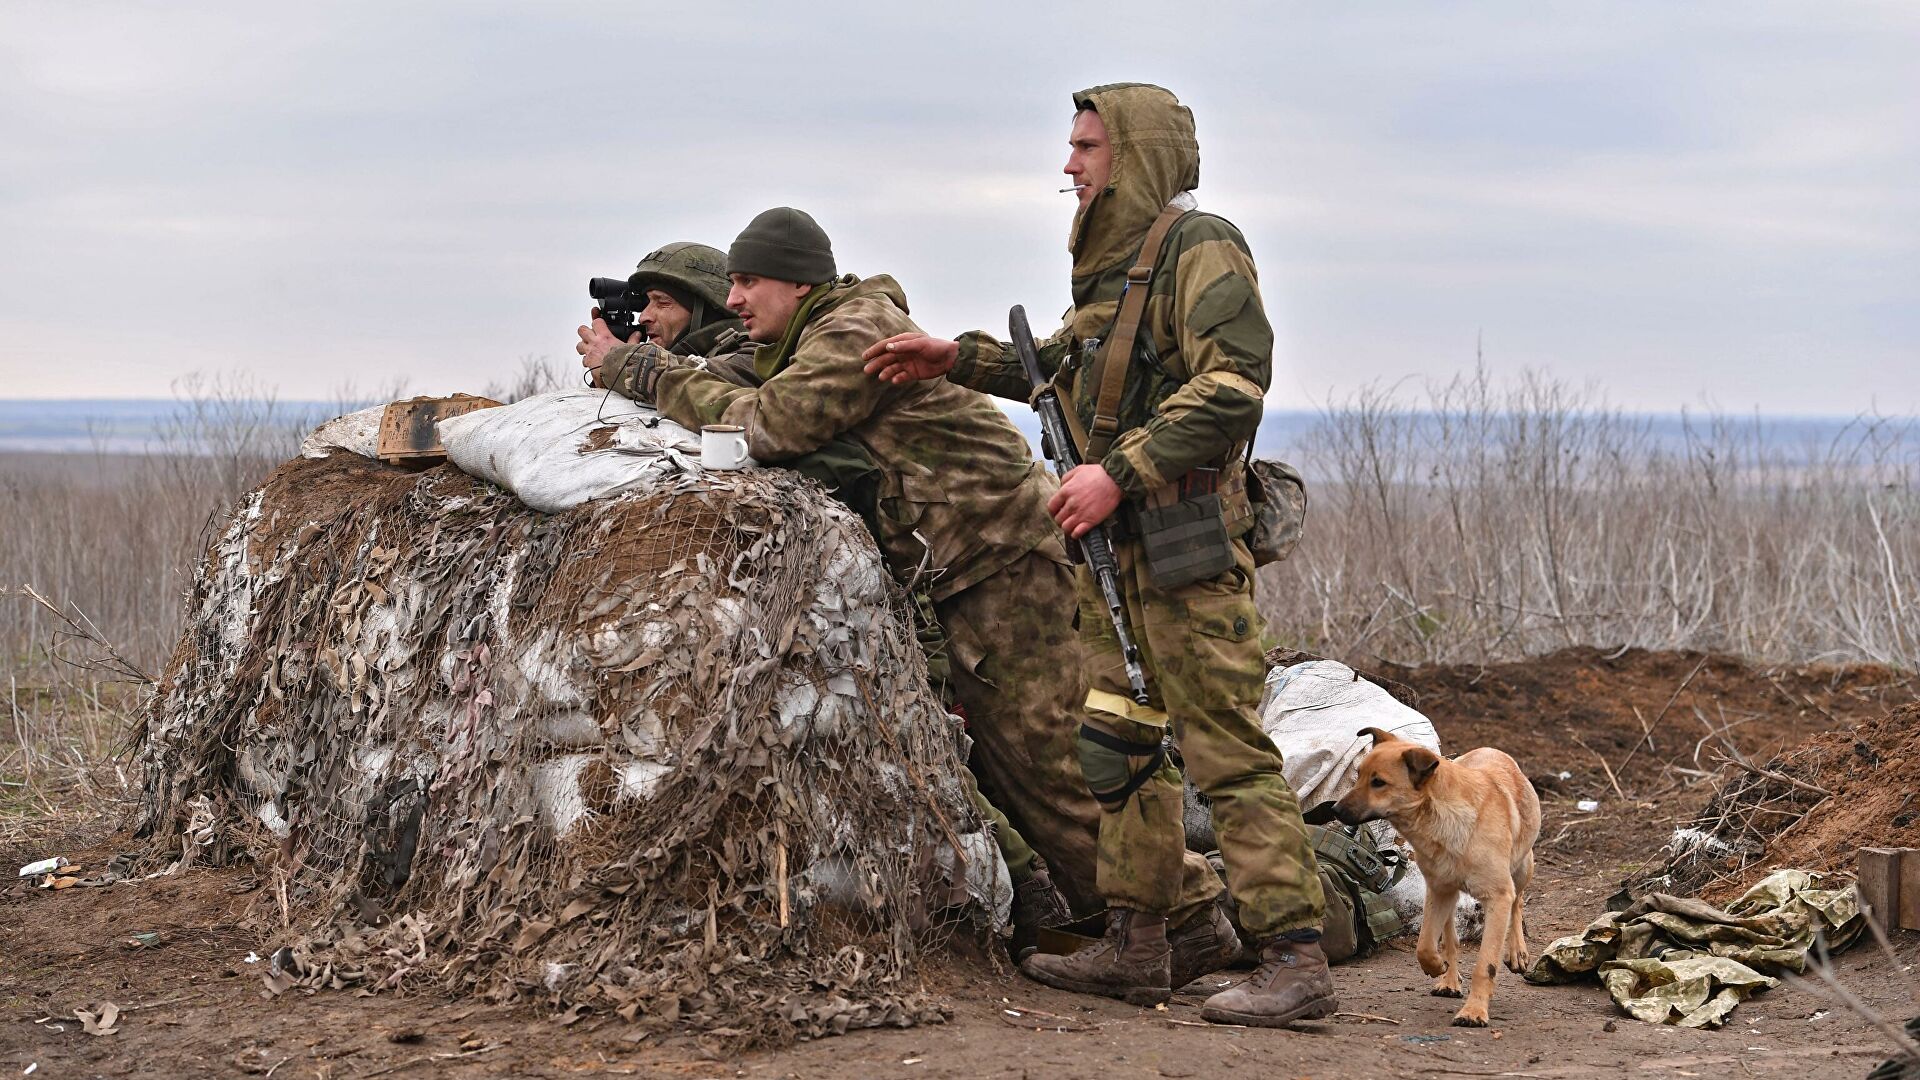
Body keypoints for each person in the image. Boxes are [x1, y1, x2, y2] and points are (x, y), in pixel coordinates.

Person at [576, 210, 1241, 985]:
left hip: (1006, 562)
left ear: (799, 281)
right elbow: (741, 384)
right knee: (1028, 769)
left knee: (1060, 760)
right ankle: (1157, 926)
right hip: (974, 567)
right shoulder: (809, 337)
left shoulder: (852, 330)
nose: (737, 297)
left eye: (750, 281)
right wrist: (653, 366)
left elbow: (771, 424)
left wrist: (632, 370)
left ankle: (1192, 923)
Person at [861, 83, 1336, 1027]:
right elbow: (1065, 364)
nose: (1069, 167)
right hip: (1115, 560)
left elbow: (1234, 386)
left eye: (1086, 147)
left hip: (1184, 549)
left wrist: (1118, 471)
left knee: (1226, 755)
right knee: (1119, 747)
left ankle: (1294, 957)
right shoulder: (1119, 274)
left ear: (1139, 155)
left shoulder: (1200, 249)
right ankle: (1143, 944)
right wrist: (951, 358)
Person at [579, 242, 742, 356]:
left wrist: (618, 362)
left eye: (663, 303)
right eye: (646, 303)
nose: (643, 317)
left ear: (707, 312)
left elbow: (688, 389)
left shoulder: (748, 357)